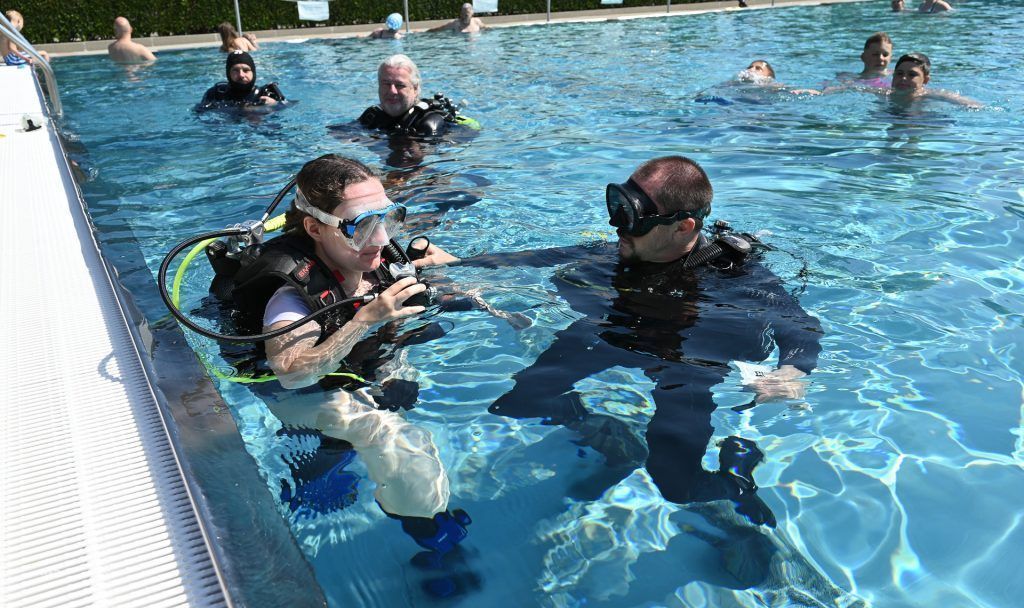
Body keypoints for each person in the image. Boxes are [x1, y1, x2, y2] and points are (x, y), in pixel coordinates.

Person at [418, 156, 823, 525]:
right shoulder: (626, 249)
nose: (617, 226)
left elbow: (798, 326)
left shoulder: (737, 276)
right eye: (618, 208)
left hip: (685, 363)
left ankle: (736, 482)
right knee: (519, 401)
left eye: (633, 217)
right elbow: (540, 258)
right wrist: (459, 266)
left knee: (675, 485)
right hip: (615, 333)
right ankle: (609, 436)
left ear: (684, 226)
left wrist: (792, 371)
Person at [231, 154, 470, 552]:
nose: (379, 238)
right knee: (391, 437)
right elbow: (291, 373)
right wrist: (367, 319)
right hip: (298, 396)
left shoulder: (375, 259)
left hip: (355, 376)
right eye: (360, 225)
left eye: (387, 219)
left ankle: (328, 459)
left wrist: (461, 274)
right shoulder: (290, 298)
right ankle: (428, 530)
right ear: (315, 228)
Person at [358, 54, 477, 136]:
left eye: (400, 85)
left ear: (415, 89)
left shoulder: (429, 123)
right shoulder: (372, 116)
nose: (392, 91)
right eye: (386, 84)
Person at [197, 51, 285, 110]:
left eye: (246, 70)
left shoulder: (266, 94)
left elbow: (288, 106)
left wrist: (275, 105)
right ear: (228, 73)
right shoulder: (215, 94)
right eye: (235, 70)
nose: (241, 75)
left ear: (253, 72)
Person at [890, 52, 979, 107]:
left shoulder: (932, 95)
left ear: (925, 80)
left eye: (912, 75)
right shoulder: (884, 93)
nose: (903, 78)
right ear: (893, 76)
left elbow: (972, 105)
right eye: (899, 73)